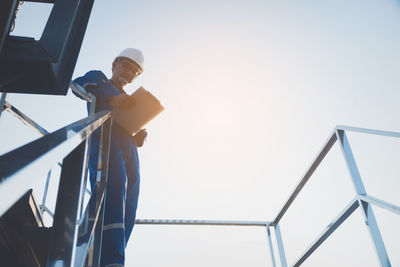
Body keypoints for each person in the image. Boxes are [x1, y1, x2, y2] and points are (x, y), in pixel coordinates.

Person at [73, 48, 147, 267]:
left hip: (129, 152)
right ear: (115, 64)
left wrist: (137, 135)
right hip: (106, 144)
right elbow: (77, 86)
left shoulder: (130, 99)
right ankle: (104, 258)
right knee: (110, 191)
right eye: (127, 66)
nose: (130, 72)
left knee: (129, 204)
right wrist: (112, 98)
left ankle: (115, 256)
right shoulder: (99, 79)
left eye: (135, 71)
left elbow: (127, 124)